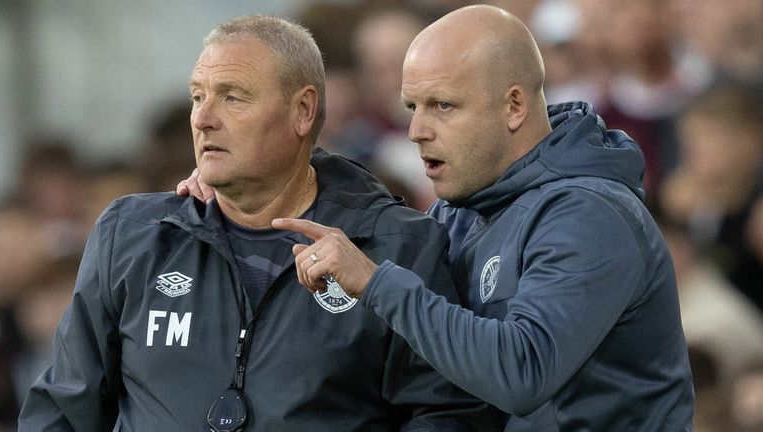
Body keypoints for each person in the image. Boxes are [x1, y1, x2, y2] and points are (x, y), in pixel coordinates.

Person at [18, 15, 501, 431]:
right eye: (197, 95)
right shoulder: (131, 233)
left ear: (302, 111)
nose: (203, 118)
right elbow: (63, 408)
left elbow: (446, 414)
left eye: (233, 97)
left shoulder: (399, 244)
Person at [271, 5, 694, 431]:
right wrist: (224, 192)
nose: (417, 129)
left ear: (513, 105)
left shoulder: (589, 213)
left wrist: (376, 282)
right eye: (412, 106)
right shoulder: (459, 212)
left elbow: (522, 373)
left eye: (442, 105)